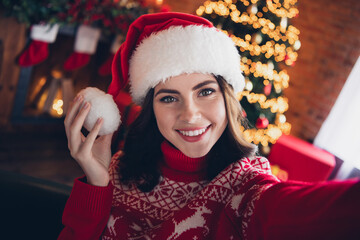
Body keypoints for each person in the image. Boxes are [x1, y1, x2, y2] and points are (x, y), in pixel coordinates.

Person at [59, 12, 360, 240]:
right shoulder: (118, 169)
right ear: (151, 110)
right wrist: (96, 183)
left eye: (205, 91)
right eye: (168, 98)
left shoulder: (244, 186)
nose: (190, 115)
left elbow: (308, 211)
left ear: (227, 98)